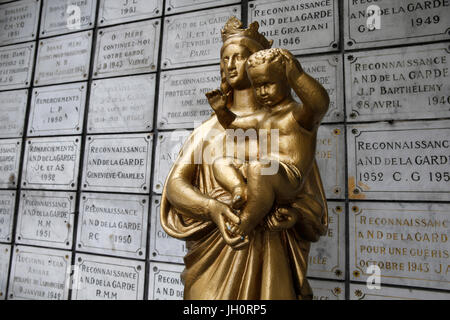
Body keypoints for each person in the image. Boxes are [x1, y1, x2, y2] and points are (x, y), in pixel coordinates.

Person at [160, 17, 329, 300]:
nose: (230, 64)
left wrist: (296, 216)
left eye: (239, 57)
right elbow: (175, 186)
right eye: (224, 58)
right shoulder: (208, 129)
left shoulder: (287, 122)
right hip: (214, 255)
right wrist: (211, 207)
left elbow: (311, 201)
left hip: (271, 258)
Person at [206, 48, 329, 237]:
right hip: (262, 172)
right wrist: (221, 110)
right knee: (220, 162)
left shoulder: (298, 115)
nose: (262, 92)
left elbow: (318, 104)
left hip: (287, 179)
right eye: (257, 86)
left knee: (260, 168)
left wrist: (297, 75)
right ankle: (240, 189)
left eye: (268, 84)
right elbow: (234, 126)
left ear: (286, 82)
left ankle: (246, 221)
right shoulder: (262, 117)